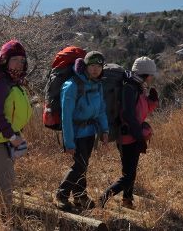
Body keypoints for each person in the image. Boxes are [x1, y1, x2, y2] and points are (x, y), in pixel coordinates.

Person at [0, 39, 32, 221]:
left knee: (2, 181)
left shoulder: (13, 80)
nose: (19, 63)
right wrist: (11, 135)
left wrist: (15, 134)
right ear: (5, 59)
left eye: (22, 60)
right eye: (15, 59)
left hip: (6, 137)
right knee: (6, 181)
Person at [99, 56, 159, 209]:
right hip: (128, 137)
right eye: (151, 74)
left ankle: (127, 200)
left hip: (131, 134)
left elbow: (140, 112)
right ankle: (102, 199)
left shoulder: (137, 87)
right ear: (145, 74)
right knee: (128, 175)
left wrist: (152, 101)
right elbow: (128, 115)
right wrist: (139, 137)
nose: (152, 77)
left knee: (130, 171)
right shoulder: (130, 88)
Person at [55, 51, 109, 211]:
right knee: (79, 165)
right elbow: (66, 117)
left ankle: (79, 195)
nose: (95, 70)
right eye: (92, 66)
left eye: (99, 66)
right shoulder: (72, 85)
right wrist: (69, 142)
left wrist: (104, 130)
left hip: (90, 132)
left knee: (83, 165)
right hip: (76, 133)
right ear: (85, 66)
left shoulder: (97, 85)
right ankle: (61, 195)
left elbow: (101, 110)